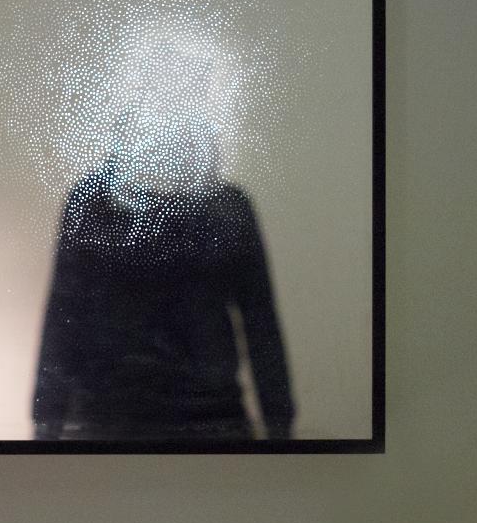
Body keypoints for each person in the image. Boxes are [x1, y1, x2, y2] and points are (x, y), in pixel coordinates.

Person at [31, 150, 296, 441]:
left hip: (195, 416)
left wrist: (45, 423)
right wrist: (280, 424)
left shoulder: (226, 204)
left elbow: (260, 320)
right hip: (128, 416)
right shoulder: (92, 200)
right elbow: (63, 315)